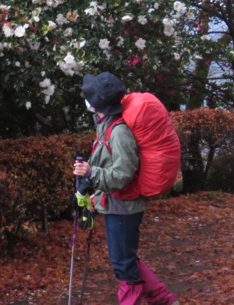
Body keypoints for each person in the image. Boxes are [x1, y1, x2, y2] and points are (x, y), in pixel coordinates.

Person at [72, 72, 180, 305]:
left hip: (124, 207)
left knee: (123, 264)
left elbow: (122, 176)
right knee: (126, 259)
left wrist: (91, 173)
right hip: (116, 204)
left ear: (97, 104)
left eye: (89, 96)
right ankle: (164, 300)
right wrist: (91, 200)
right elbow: (106, 167)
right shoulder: (105, 126)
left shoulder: (119, 132)